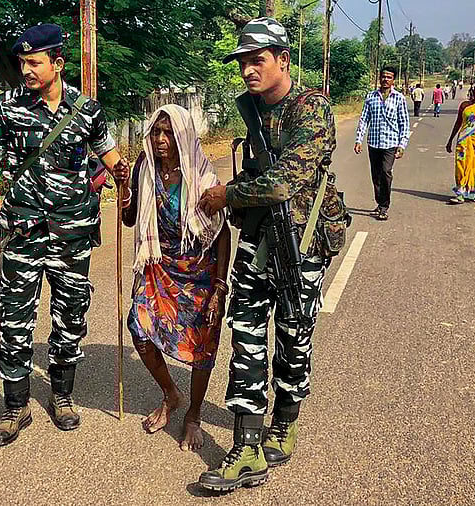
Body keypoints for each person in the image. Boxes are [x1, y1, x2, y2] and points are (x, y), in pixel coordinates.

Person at [0, 24, 130, 447]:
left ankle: (63, 397)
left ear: (57, 63)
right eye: (22, 62)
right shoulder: (7, 107)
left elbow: (111, 156)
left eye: (34, 62)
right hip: (22, 233)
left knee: (70, 320)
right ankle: (15, 408)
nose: (26, 69)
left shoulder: (87, 110)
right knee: (14, 323)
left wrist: (123, 177)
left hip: (73, 234)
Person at [195, 17, 344, 492]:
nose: (247, 71)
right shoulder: (252, 111)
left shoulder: (312, 108)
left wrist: (229, 195)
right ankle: (247, 446)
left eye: (256, 60)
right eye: (241, 62)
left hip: (303, 243)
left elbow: (284, 182)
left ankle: (286, 420)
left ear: (282, 59)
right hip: (257, 241)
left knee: (294, 336)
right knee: (245, 334)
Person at [122, 105, 231, 452]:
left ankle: (194, 414)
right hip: (160, 266)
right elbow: (128, 219)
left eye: (168, 133)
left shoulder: (201, 176)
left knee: (201, 346)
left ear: (182, 136)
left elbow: (222, 233)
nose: (160, 139)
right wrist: (124, 187)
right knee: (138, 329)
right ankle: (171, 394)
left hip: (200, 271)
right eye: (156, 132)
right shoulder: (145, 167)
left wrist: (219, 286)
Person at [354, 67, 411, 221]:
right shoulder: (371, 97)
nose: (385, 79)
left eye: (389, 77)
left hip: (390, 143)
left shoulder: (399, 98)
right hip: (373, 143)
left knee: (386, 172)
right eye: (383, 76)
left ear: (393, 80)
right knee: (376, 175)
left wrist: (402, 145)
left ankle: (384, 206)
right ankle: (380, 203)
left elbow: (404, 123)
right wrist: (359, 140)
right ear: (379, 78)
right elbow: (364, 119)